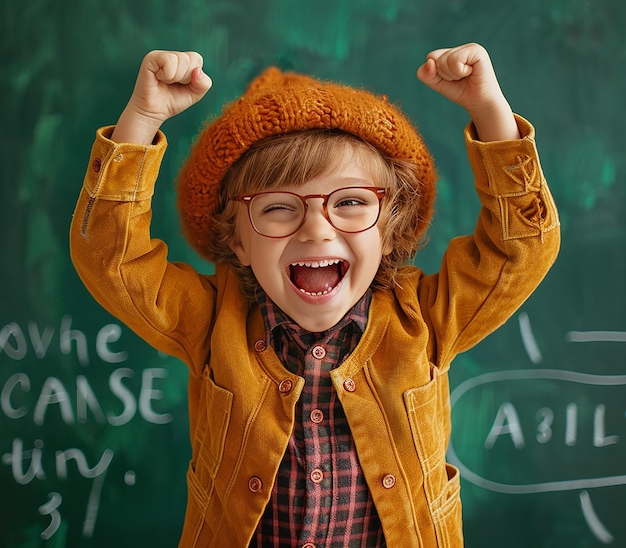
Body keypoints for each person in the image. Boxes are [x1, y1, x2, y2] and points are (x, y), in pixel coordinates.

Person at [70, 43, 560, 547]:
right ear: (236, 239)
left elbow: (519, 248)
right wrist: (142, 118)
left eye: (349, 201)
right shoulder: (211, 321)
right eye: (278, 208)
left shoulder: (427, 319)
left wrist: (490, 112)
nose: (316, 231)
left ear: (390, 229)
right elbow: (111, 260)